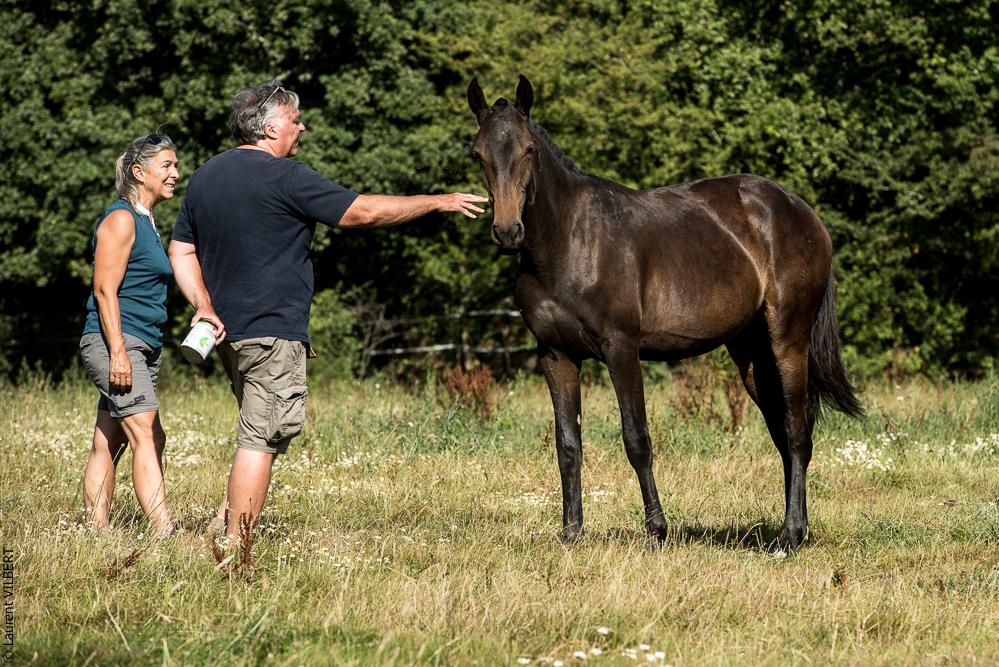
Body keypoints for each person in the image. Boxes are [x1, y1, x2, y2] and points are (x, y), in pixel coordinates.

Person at [168, 81, 488, 540]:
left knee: (259, 428)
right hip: (272, 333)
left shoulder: (205, 177)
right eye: (295, 121)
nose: (302, 127)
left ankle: (222, 521)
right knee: (264, 437)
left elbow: (181, 251)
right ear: (272, 126)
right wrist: (438, 202)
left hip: (224, 335)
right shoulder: (286, 177)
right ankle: (234, 549)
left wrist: (203, 306)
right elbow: (364, 213)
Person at [80, 134, 181, 535]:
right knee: (145, 434)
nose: (176, 173)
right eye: (167, 166)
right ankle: (164, 532)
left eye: (175, 166)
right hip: (118, 343)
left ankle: (96, 532)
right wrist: (119, 352)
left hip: (142, 343)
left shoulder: (147, 220)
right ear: (139, 173)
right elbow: (104, 289)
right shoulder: (121, 218)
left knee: (111, 440)